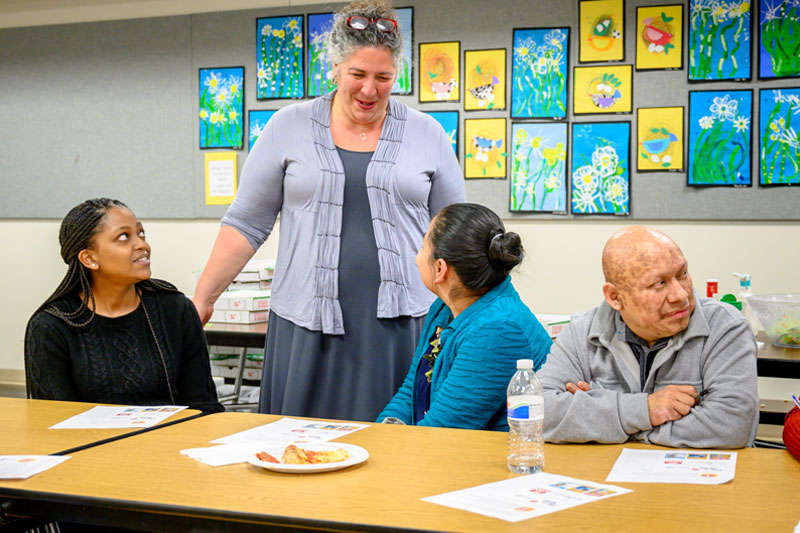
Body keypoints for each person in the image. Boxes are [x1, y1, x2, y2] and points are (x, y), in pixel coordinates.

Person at [192, 0, 465, 422]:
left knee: (398, 457)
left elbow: (458, 234)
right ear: (334, 66)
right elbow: (246, 223)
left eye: (383, 77)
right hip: (306, 326)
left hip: (401, 329)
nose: (369, 90)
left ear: (398, 74)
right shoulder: (289, 126)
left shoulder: (427, 134)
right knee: (298, 455)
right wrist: (203, 299)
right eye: (357, 74)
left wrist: (471, 316)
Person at [538, 226, 758, 448]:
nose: (680, 295)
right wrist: (646, 409)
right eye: (659, 283)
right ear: (615, 297)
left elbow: (731, 426)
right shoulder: (582, 332)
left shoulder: (726, 327)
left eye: (683, 274)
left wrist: (606, 417)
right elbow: (535, 411)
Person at [25, 198, 223, 413]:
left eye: (141, 233)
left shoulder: (175, 309)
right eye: (123, 237)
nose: (141, 245)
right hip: (91, 444)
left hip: (173, 442)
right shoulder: (51, 327)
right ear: (89, 258)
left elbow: (203, 404)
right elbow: (53, 419)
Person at [376, 203, 552, 430]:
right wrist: (383, 433)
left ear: (440, 269)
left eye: (422, 247)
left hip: (494, 459)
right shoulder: (443, 308)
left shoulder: (498, 330)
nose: (417, 257)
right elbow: (411, 392)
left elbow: (443, 431)